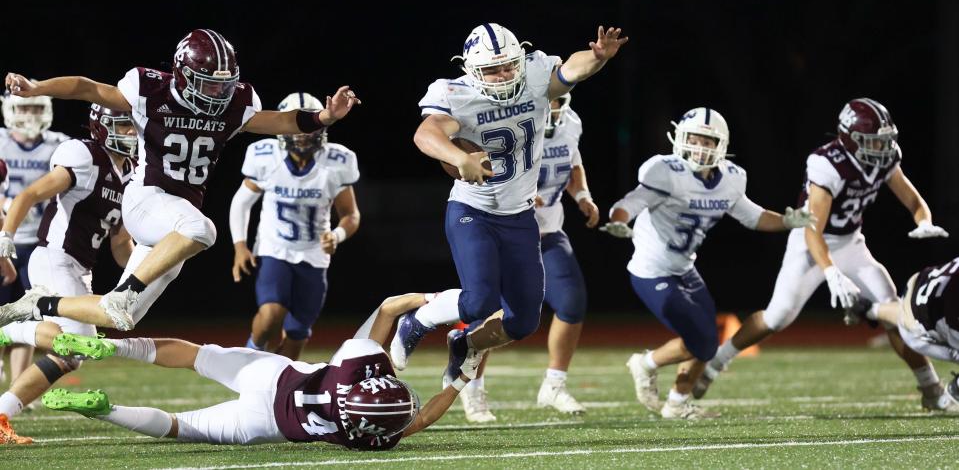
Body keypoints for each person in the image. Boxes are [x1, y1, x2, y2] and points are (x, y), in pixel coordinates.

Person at [0, 28, 361, 331]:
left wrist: (324, 117)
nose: (219, 93)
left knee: (120, 317)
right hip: (146, 199)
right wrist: (37, 87)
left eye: (224, 86)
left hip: (174, 221)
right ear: (184, 75)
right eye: (208, 85)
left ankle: (41, 304)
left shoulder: (237, 102)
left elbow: (279, 121)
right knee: (203, 230)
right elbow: (87, 87)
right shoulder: (150, 90)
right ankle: (124, 291)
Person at [696, 98, 957, 412]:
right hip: (810, 243)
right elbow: (812, 229)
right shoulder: (827, 163)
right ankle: (715, 364)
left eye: (885, 140)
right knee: (777, 316)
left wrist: (924, 221)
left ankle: (931, 391)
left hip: (850, 243)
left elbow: (914, 201)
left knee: (896, 311)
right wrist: (831, 272)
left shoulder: (885, 159)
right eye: (874, 141)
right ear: (850, 138)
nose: (881, 147)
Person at [411, 23, 626, 384]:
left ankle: (464, 343)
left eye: (510, 65)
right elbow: (426, 133)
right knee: (479, 301)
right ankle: (418, 319)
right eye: (493, 69)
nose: (504, 74)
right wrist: (457, 156)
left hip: (521, 215)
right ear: (471, 69)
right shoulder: (454, 93)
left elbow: (571, 69)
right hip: (473, 210)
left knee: (524, 322)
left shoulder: (536, 75)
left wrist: (598, 57)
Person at [3, 293, 481, 449]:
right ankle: (106, 410)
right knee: (180, 428)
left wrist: (437, 300)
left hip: (271, 375)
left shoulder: (355, 365)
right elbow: (421, 420)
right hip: (265, 425)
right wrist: (458, 382)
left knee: (189, 353)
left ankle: (110, 349)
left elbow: (387, 308)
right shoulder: (371, 437)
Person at [601, 107, 816, 419]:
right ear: (680, 139)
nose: (700, 148)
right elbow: (630, 202)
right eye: (694, 140)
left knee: (707, 341)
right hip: (651, 269)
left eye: (707, 141)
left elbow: (752, 216)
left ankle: (676, 402)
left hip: (685, 267)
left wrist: (787, 221)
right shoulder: (665, 171)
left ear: (721, 146)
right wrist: (619, 220)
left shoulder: (730, 179)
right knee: (701, 341)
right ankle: (645, 364)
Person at [0, 104, 136, 444]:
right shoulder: (85, 157)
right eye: (124, 126)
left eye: (134, 126)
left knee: (70, 357)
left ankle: (2, 413)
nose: (133, 133)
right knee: (83, 343)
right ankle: (14, 325)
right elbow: (29, 194)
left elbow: (120, 241)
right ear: (103, 127)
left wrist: (142, 278)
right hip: (53, 258)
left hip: (79, 268)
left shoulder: (132, 172)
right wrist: (6, 236)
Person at [231, 91, 360, 360]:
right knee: (271, 315)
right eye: (297, 129)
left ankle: (278, 388)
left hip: (314, 254)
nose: (302, 136)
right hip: (274, 247)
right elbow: (241, 202)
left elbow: (351, 215)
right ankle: (245, 359)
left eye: (308, 129)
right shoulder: (265, 156)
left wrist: (336, 235)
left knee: (297, 333)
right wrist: (240, 246)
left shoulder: (337, 161)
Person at [0, 92, 70, 385]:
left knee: (29, 316)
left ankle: (18, 384)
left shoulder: (60, 146)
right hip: (2, 238)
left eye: (34, 107)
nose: (29, 113)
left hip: (40, 243)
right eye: (24, 106)